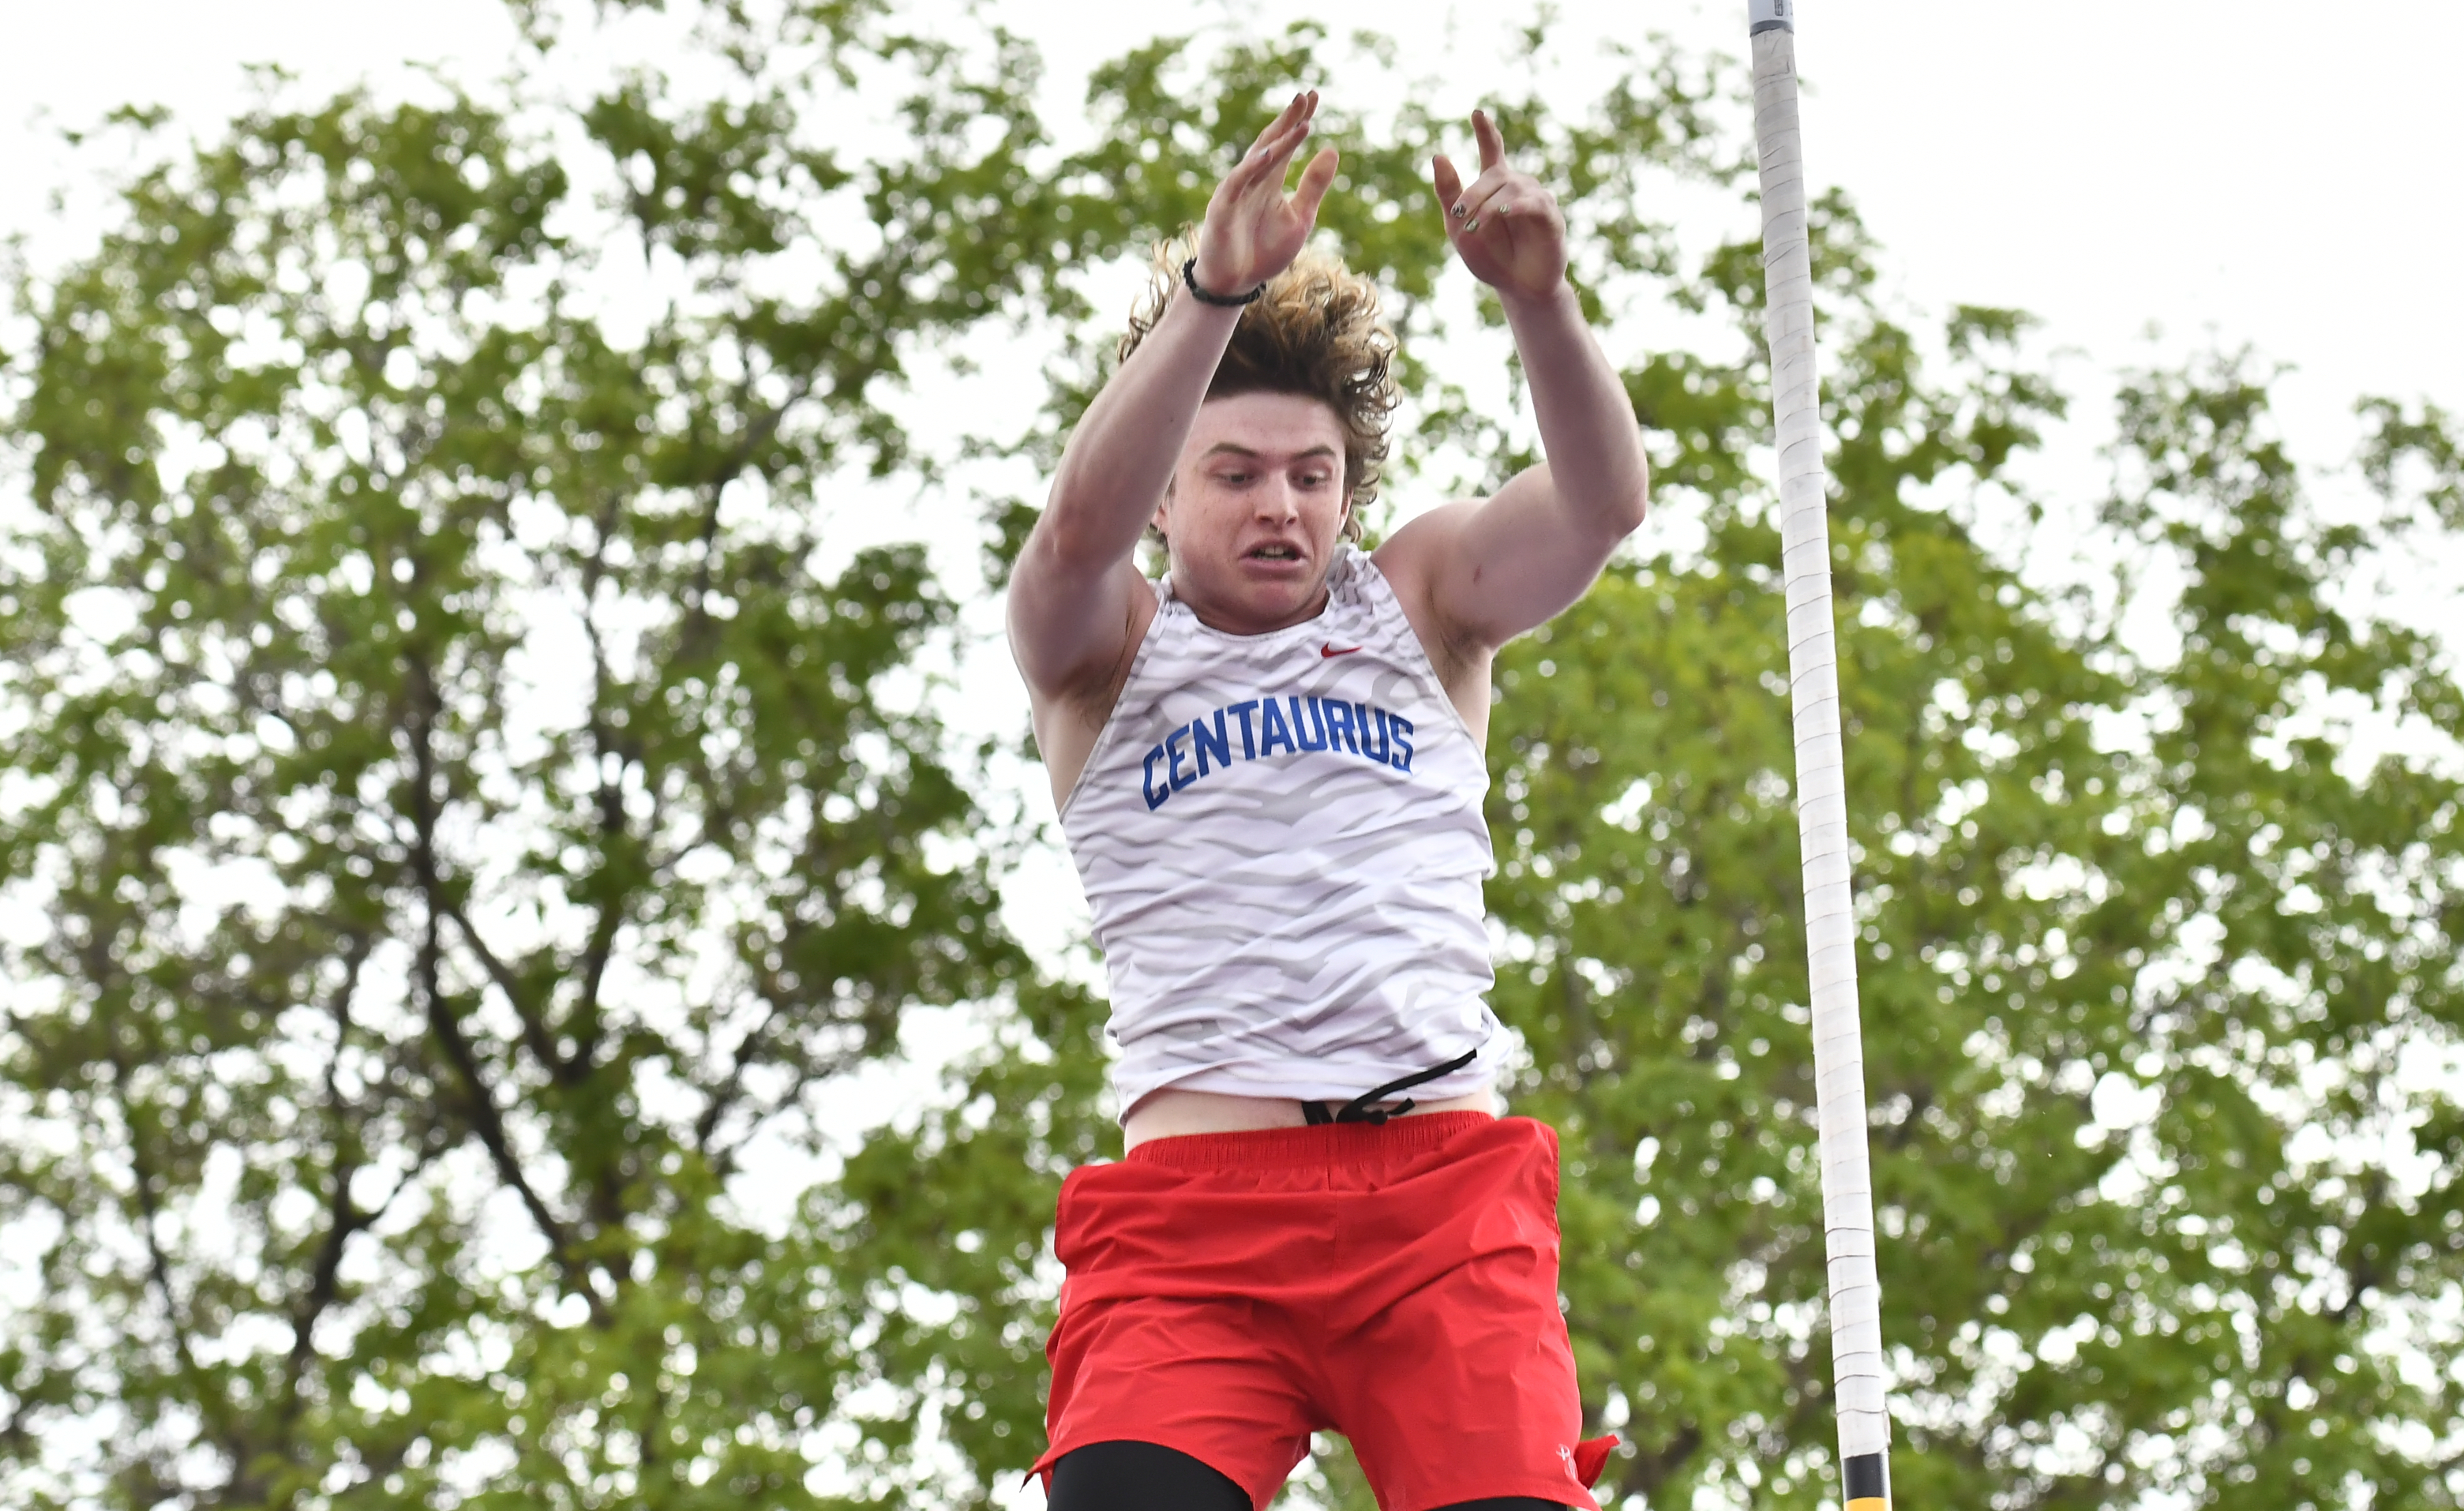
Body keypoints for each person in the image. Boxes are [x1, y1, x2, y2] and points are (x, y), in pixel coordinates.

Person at [1004, 89, 1649, 1511]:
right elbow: (1066, 534)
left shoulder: (1419, 599)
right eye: (1231, 476)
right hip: (1194, 1224)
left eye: (1312, 476)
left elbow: (1600, 509)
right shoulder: (1104, 648)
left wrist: (1544, 311)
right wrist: (1211, 297)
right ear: (1166, 500)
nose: (1280, 506)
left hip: (1438, 1201)